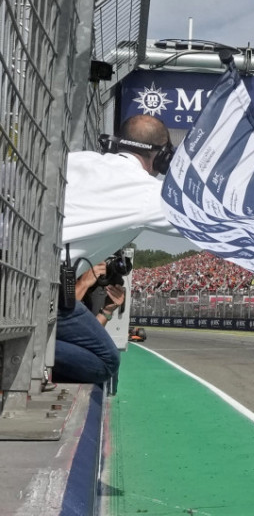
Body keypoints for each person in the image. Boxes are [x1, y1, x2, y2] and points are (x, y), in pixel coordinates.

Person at [54, 114, 181, 384]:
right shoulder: (148, 192)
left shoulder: (79, 159)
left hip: (23, 263)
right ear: (162, 156)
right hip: (46, 290)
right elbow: (203, 224)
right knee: (106, 361)